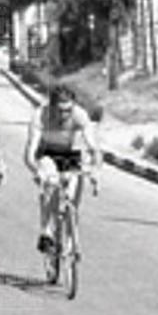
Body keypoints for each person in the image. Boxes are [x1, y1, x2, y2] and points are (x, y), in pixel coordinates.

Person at [25, 83, 101, 255]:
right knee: (51, 181)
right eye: (60, 110)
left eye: (68, 110)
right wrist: (37, 171)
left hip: (69, 154)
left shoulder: (79, 114)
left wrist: (95, 171)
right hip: (46, 153)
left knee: (72, 200)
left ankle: (69, 236)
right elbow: (30, 152)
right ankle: (46, 231)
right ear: (51, 106)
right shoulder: (40, 116)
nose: (65, 114)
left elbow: (93, 146)